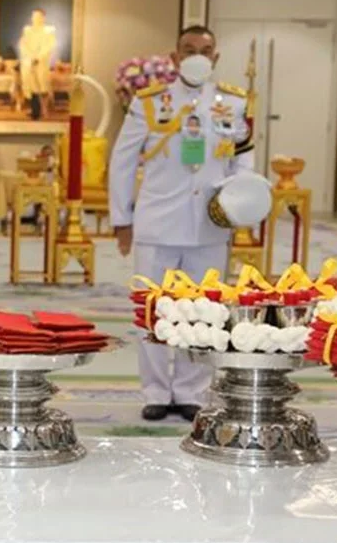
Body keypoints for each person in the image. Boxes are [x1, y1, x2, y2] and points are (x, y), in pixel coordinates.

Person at [107, 25, 254, 422]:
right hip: (158, 221)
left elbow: (243, 160)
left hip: (209, 224)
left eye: (205, 50)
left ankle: (191, 390)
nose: (197, 56)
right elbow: (122, 160)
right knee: (152, 310)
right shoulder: (151, 103)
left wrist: (241, 204)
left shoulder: (233, 104)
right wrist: (122, 218)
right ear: (174, 57)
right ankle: (155, 390)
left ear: (216, 57)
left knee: (203, 311)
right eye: (189, 49)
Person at [18, 8, 55, 120]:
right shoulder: (27, 30)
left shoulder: (48, 31)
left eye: (38, 17)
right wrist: (29, 56)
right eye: (34, 16)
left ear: (43, 18)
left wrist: (38, 57)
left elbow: (48, 47)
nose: (35, 19)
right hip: (29, 63)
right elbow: (23, 44)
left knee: (41, 88)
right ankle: (35, 111)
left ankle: (41, 111)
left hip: (41, 63)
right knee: (31, 88)